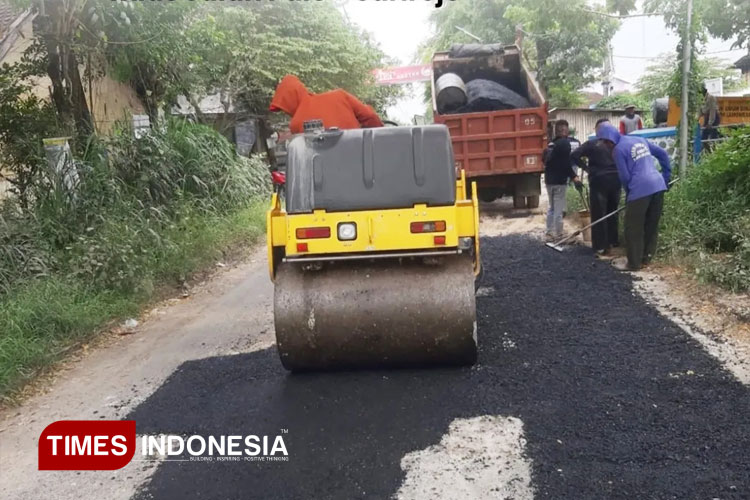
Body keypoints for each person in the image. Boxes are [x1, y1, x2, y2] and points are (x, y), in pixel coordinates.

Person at [596, 123, 671, 271]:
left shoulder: (618, 150)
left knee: (633, 228)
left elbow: (624, 176)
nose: (605, 146)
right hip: (658, 185)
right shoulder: (639, 139)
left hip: (640, 188)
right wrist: (666, 176)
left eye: (604, 143)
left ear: (608, 141)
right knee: (651, 225)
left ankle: (634, 264)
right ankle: (646, 260)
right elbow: (662, 153)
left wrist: (630, 193)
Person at [571, 118, 622, 256]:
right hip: (616, 180)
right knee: (613, 211)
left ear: (597, 130)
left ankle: (600, 246)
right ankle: (613, 242)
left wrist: (586, 168)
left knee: (599, 213)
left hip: (599, 181)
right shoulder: (617, 143)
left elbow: (574, 155)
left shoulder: (591, 144)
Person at [269, 75, 383, 134]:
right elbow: (370, 117)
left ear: (290, 101)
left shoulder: (296, 124)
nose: (287, 112)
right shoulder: (339, 95)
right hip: (358, 162)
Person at [544, 119, 582, 241]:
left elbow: (543, 159)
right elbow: (566, 163)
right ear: (565, 130)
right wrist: (573, 176)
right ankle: (559, 234)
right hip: (559, 181)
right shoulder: (565, 144)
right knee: (559, 209)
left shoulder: (550, 144)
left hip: (549, 180)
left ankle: (549, 233)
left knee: (552, 207)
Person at [699, 85, 721, 151]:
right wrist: (696, 120)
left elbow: (712, 111)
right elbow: (700, 111)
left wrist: (710, 123)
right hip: (706, 117)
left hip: (714, 117)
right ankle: (709, 152)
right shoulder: (700, 99)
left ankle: (715, 151)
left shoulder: (711, 98)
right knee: (703, 138)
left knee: (713, 136)